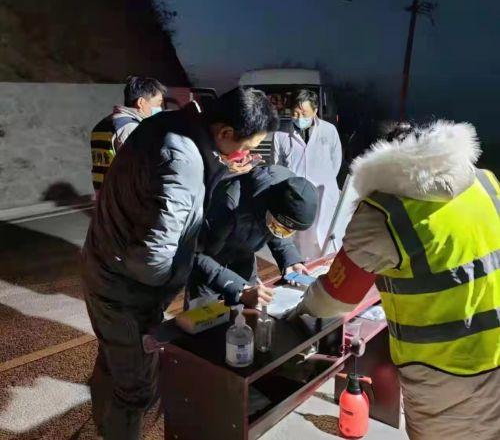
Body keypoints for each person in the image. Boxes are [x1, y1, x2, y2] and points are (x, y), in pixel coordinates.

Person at [81, 87, 279, 440]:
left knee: (114, 362)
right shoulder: (183, 161)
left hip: (109, 267)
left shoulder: (172, 125)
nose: (246, 155)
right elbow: (153, 259)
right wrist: (179, 278)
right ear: (225, 133)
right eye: (247, 146)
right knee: (136, 389)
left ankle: (104, 425)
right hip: (125, 290)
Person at [293, 120, 500, 440]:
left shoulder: (384, 212)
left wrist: (300, 306)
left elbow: (333, 300)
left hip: (447, 376)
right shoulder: (485, 182)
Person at [187, 165, 319, 308]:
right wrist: (240, 289)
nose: (281, 232)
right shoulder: (228, 204)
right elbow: (194, 254)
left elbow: (277, 229)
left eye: (289, 231)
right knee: (205, 315)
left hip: (244, 256)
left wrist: (290, 260)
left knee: (252, 307)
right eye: (279, 227)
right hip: (208, 265)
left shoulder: (285, 199)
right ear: (268, 207)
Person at [271, 88, 342, 260]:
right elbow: (276, 166)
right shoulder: (280, 134)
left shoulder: (329, 130)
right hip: (296, 195)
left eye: (304, 113)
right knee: (300, 244)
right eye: (295, 113)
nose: (299, 117)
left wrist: (325, 179)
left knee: (326, 239)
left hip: (324, 192)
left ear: (315, 110)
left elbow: (336, 160)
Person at [90, 76, 167, 193]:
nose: (160, 108)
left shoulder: (103, 124)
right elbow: (140, 170)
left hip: (105, 195)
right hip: (122, 196)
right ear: (141, 102)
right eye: (158, 103)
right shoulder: (131, 128)